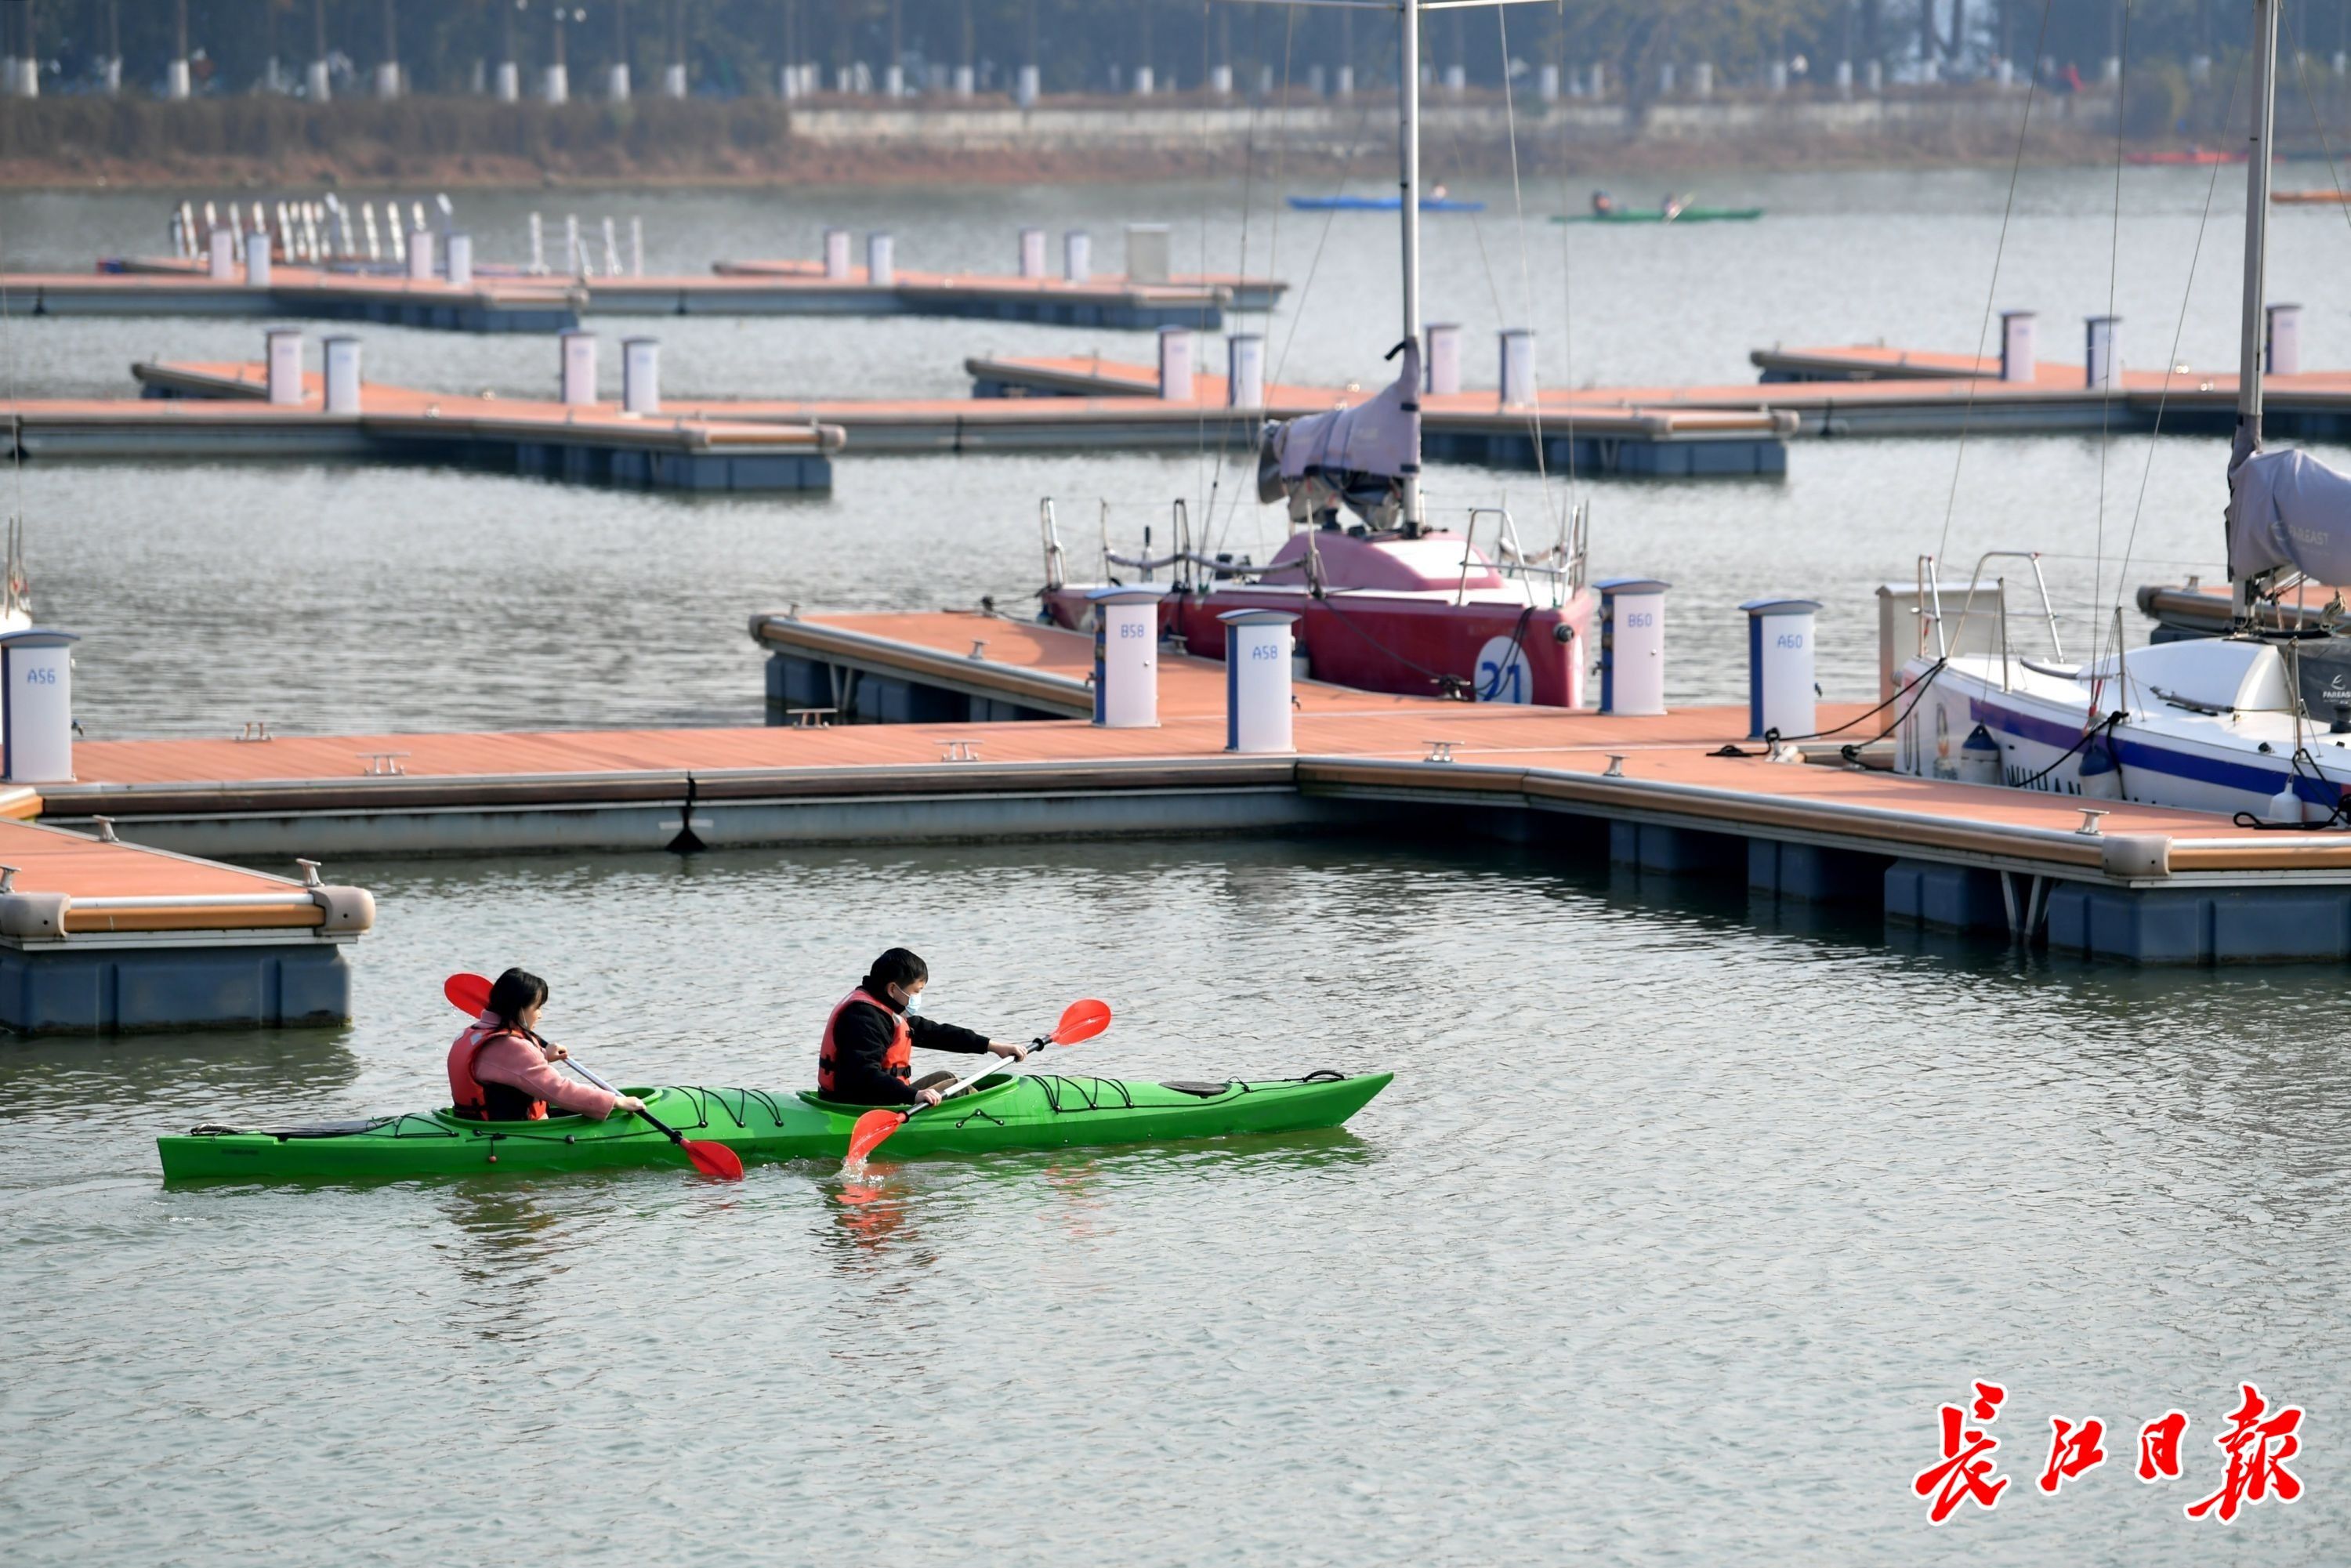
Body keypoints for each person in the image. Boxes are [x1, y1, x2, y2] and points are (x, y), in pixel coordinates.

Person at [818, 947, 1028, 1106]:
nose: (918, 997)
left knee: (945, 1078)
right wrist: (914, 1095)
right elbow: (864, 1073)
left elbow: (936, 1034)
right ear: (893, 989)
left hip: (877, 1096)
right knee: (957, 1087)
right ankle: (1002, 1117)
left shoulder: (884, 1008)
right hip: (858, 1104)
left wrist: (993, 1046)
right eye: (916, 991)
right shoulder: (864, 1018)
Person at [447, 967, 646, 1122]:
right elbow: (558, 1090)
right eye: (537, 1008)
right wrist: (615, 1101)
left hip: (473, 1122)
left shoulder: (473, 1033)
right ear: (519, 1010)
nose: (540, 1014)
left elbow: (505, 1068)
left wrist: (542, 1054)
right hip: (514, 1130)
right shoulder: (511, 1046)